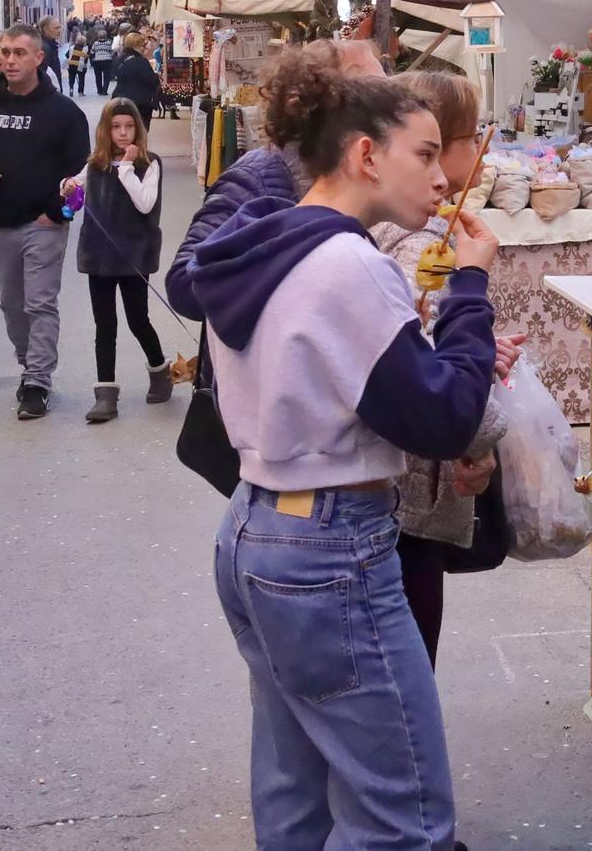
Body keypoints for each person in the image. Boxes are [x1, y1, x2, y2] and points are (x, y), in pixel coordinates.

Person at [174, 47, 498, 849]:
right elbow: (443, 420)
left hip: (257, 525)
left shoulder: (265, 245)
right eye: (424, 153)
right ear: (365, 154)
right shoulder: (349, 263)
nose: (441, 178)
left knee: (296, 791)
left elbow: (341, 381)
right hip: (329, 545)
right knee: (404, 815)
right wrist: (470, 290)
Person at [167, 40, 389, 497]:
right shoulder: (261, 175)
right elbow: (186, 282)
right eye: (375, 91)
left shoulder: (363, 178)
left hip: (328, 419)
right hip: (274, 420)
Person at [373, 71, 524, 666]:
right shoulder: (423, 246)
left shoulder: (400, 228)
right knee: (408, 654)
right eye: (470, 137)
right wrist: (479, 437)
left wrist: (479, 348)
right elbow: (427, 371)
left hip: (398, 490)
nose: (482, 151)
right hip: (408, 492)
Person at [0, 25, 92, 420]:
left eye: (19, 53)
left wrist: (57, 213)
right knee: (12, 304)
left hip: (44, 223)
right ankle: (28, 365)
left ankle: (37, 380)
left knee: (40, 302)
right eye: (4, 52)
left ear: (39, 58)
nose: (9, 60)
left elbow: (82, 171)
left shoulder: (63, 113)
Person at [63, 99, 169, 424]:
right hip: (99, 255)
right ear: (105, 131)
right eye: (116, 127)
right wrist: (67, 185)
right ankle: (105, 395)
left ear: (138, 129)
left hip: (134, 255)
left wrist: (126, 168)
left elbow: (145, 203)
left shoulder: (149, 163)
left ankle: (160, 371)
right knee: (105, 324)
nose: (123, 133)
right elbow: (76, 184)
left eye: (129, 126)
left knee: (138, 320)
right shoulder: (95, 164)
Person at [109, 31, 162, 128]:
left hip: (119, 100)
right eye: (142, 45)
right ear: (135, 46)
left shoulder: (120, 59)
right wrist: (156, 76)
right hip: (140, 103)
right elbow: (152, 81)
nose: (144, 48)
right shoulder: (140, 61)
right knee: (140, 131)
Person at [39, 17, 65, 90]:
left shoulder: (51, 45)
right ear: (46, 30)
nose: (59, 31)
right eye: (56, 28)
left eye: (59, 27)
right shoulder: (44, 48)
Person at [90, 24, 115, 96]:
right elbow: (112, 51)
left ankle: (99, 90)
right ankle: (104, 91)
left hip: (97, 61)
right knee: (106, 76)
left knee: (98, 76)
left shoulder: (95, 43)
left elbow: (92, 52)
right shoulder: (109, 43)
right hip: (107, 60)